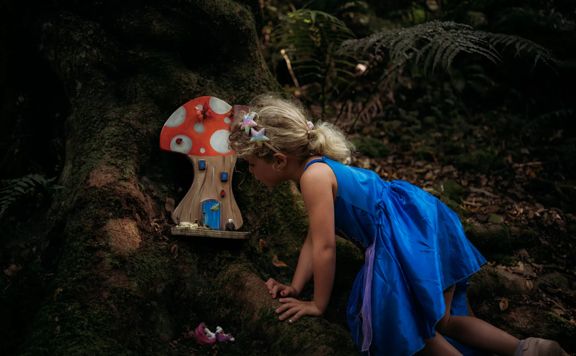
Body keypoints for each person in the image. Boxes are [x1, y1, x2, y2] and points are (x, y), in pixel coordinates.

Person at [228, 95, 568, 356]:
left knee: (416, 326)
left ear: (278, 160)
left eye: (252, 164)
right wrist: (296, 285)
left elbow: (325, 247)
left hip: (403, 235)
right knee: (442, 320)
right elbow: (316, 237)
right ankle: (528, 349)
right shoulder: (315, 169)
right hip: (422, 219)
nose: (252, 173)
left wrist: (317, 304)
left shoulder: (313, 177)